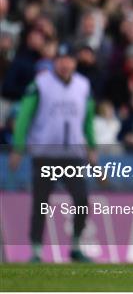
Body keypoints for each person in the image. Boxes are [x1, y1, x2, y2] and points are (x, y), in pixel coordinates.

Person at [8, 43, 97, 263]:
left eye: (70, 59)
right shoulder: (40, 84)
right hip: (45, 154)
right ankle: (36, 249)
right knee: (41, 202)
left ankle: (76, 245)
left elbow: (87, 120)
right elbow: (24, 118)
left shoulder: (83, 86)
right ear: (55, 61)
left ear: (75, 62)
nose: (65, 63)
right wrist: (18, 147)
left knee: (81, 200)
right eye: (61, 59)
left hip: (73, 154)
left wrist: (92, 147)